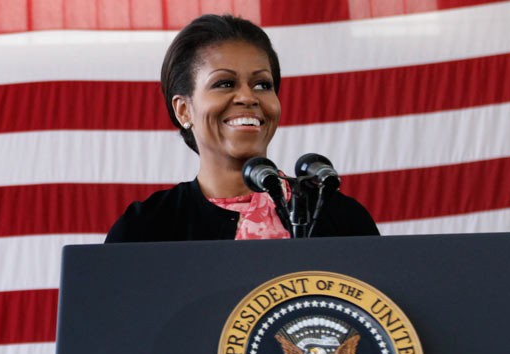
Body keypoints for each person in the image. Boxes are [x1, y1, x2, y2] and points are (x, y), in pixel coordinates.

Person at [105, 14, 379, 243]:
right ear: (183, 110)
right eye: (224, 83)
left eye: (262, 85)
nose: (248, 97)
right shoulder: (145, 229)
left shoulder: (342, 219)